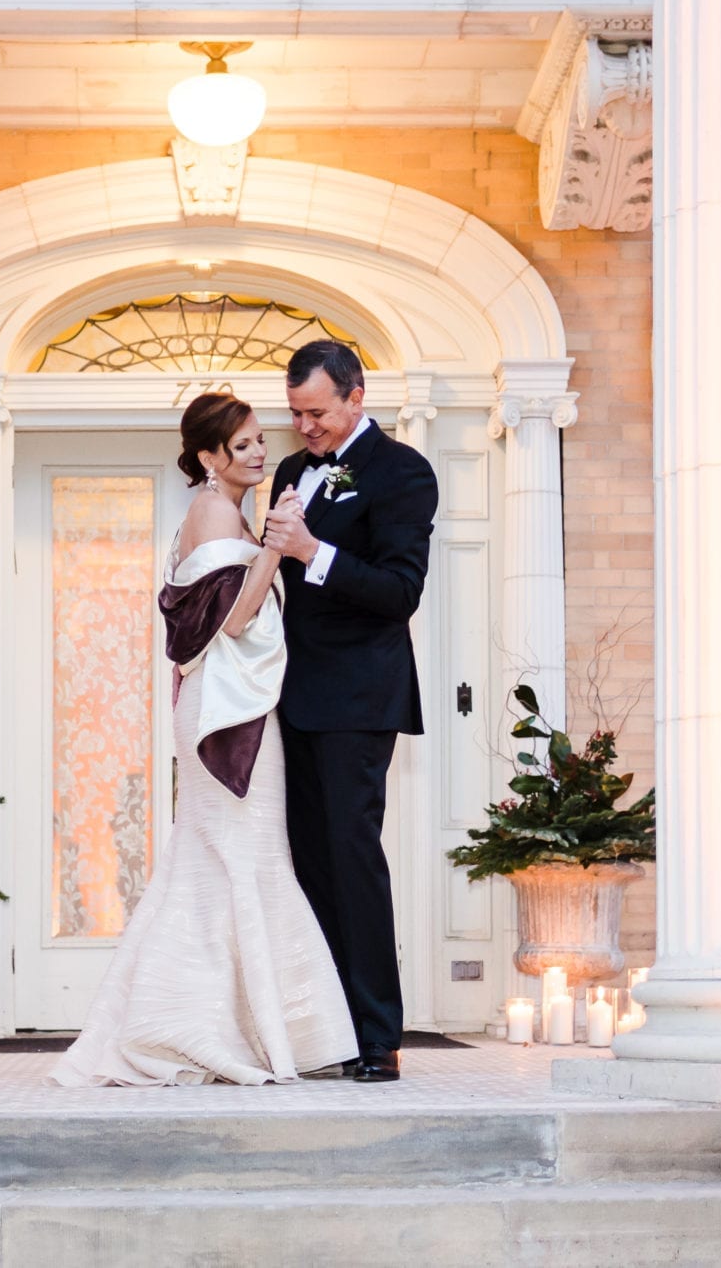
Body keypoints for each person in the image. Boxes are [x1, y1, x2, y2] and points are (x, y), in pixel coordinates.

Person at [49, 393, 359, 1087]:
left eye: (258, 441)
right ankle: (201, 1027)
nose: (259, 452)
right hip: (226, 711)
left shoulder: (227, 514)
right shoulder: (215, 512)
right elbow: (235, 619)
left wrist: (270, 543)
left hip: (235, 702)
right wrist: (277, 550)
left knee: (227, 861)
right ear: (212, 457)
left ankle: (223, 1024)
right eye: (244, 444)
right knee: (237, 858)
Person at [262, 339, 438, 1083]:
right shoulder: (293, 472)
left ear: (356, 395)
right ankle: (328, 1027)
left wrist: (312, 551)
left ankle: (377, 1033)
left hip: (361, 697)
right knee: (312, 866)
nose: (304, 427)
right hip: (294, 697)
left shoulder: (403, 472)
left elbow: (401, 590)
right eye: (295, 413)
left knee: (354, 859)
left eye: (317, 412)